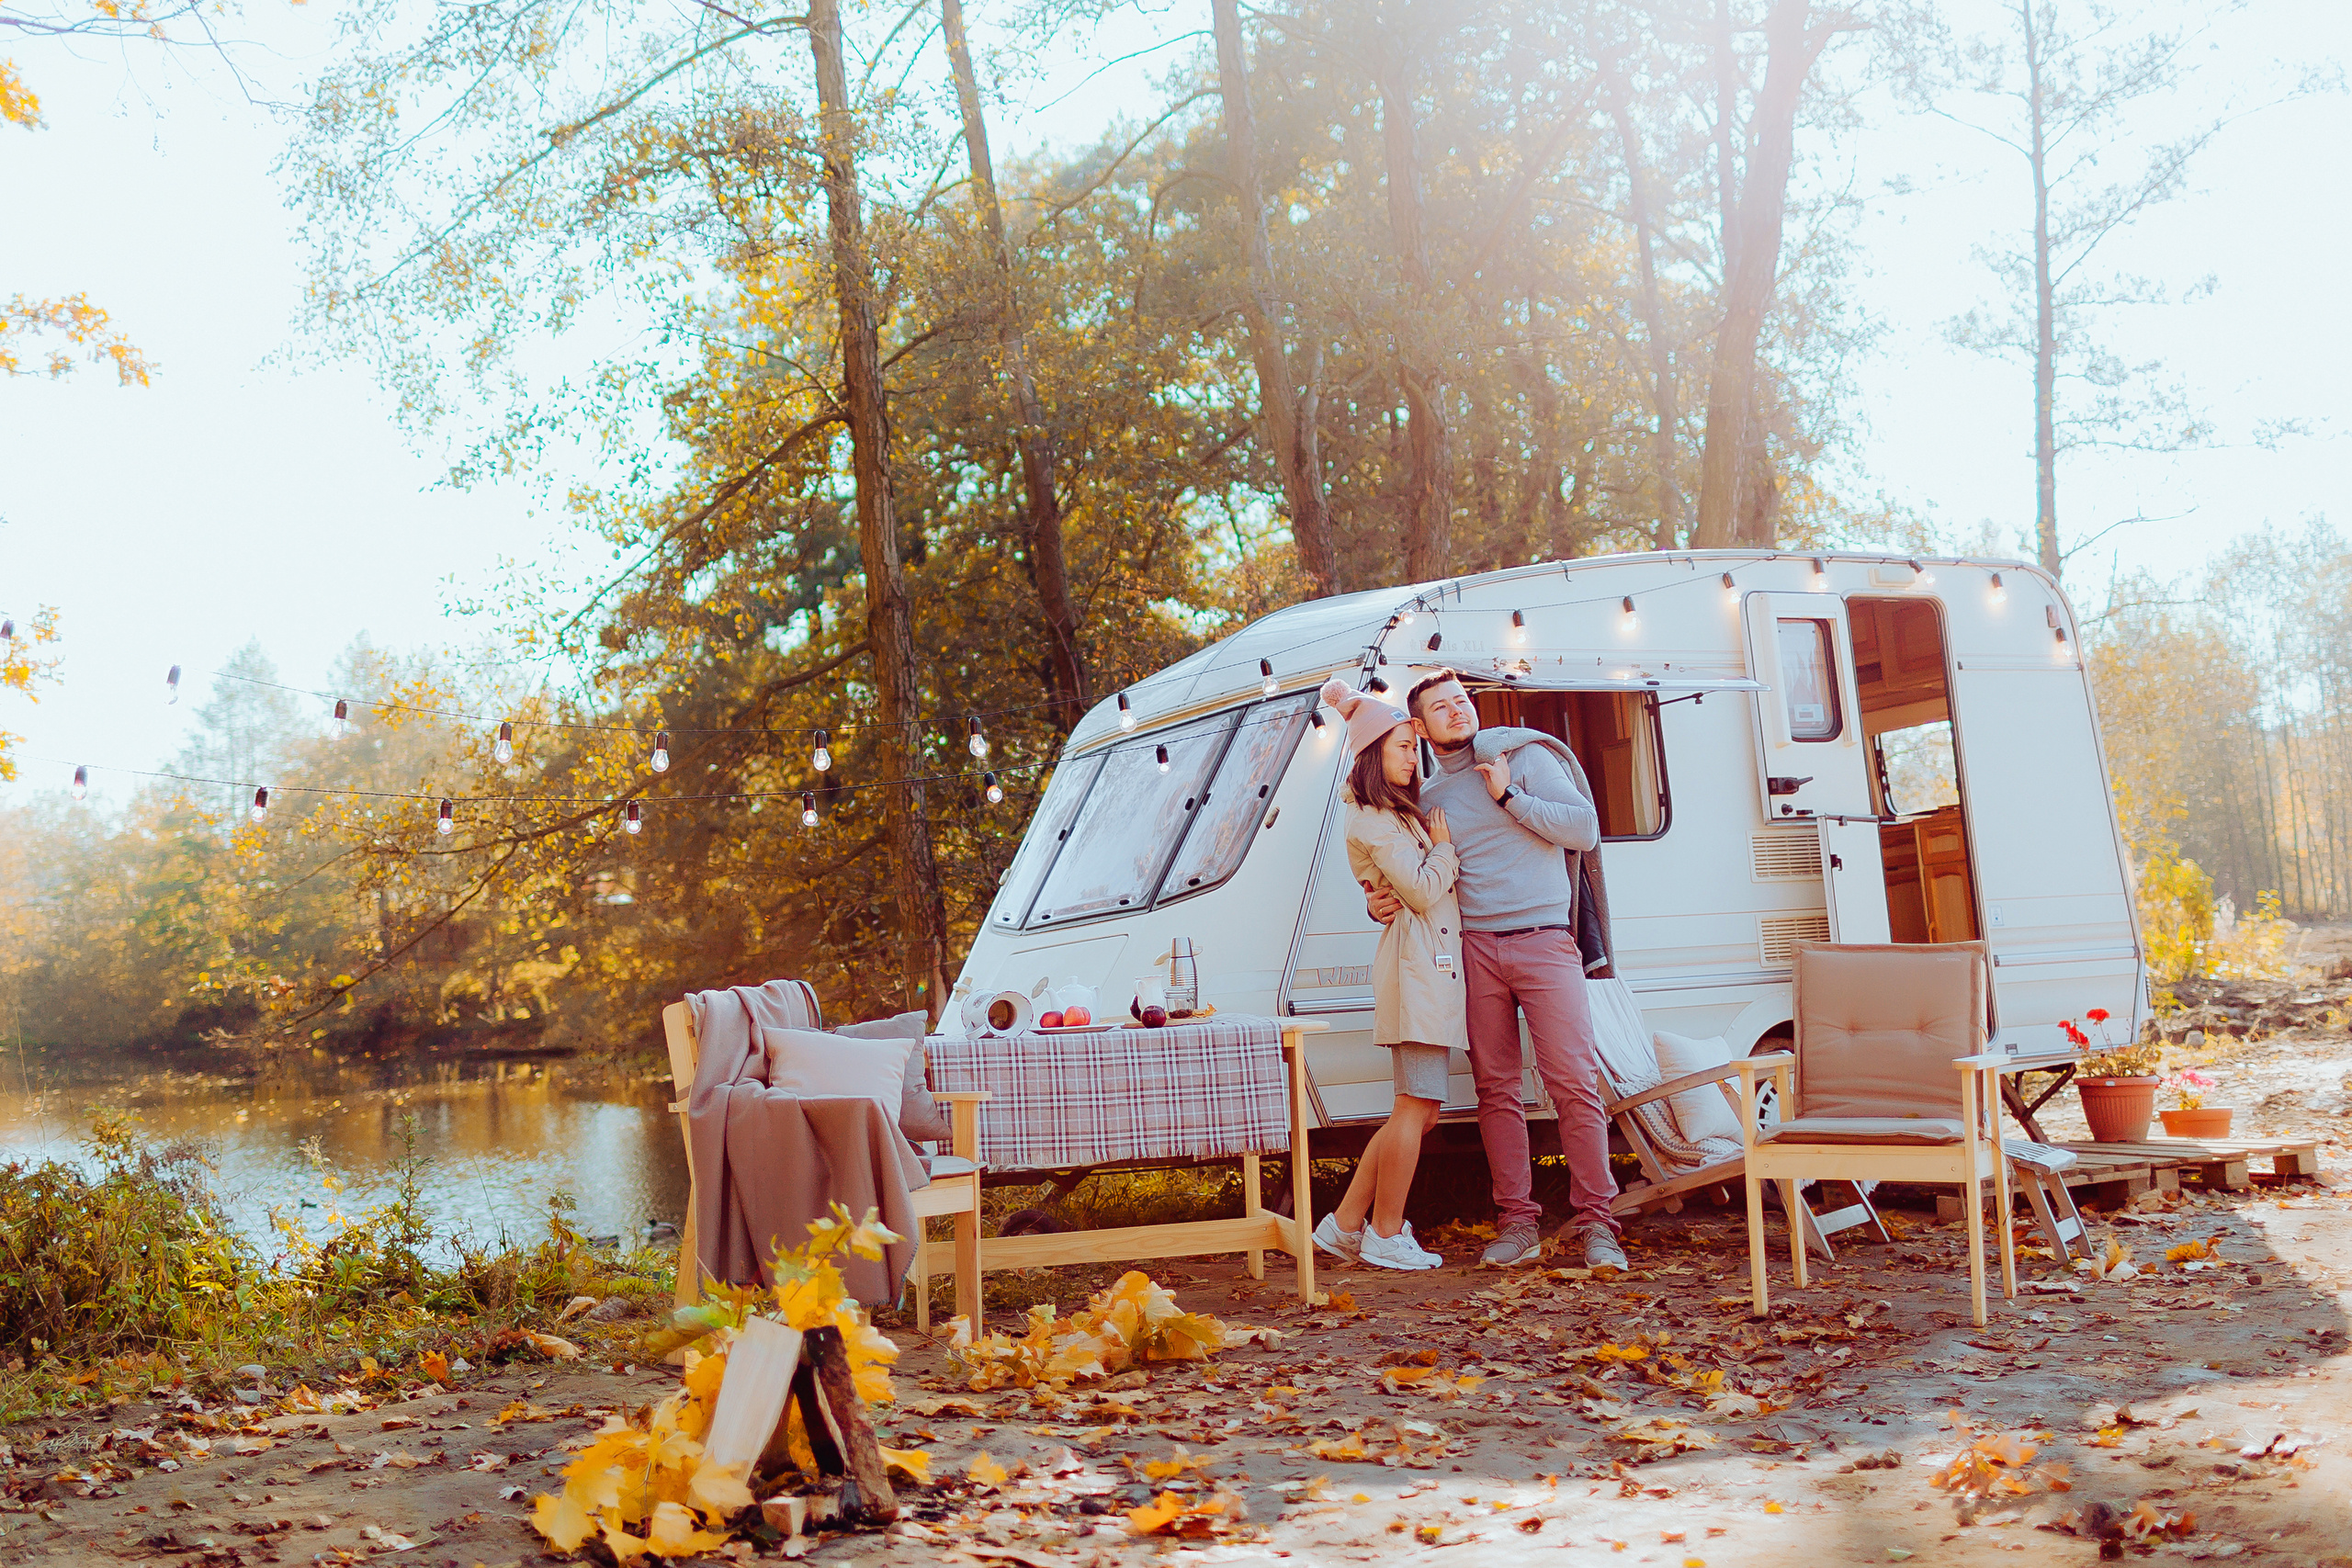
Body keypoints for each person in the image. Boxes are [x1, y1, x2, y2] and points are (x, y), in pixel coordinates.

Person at [1364, 668, 1628, 1273]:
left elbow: (1584, 828)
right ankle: (1517, 1223)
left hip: (1544, 941)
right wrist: (1378, 902)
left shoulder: (1525, 757)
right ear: (1421, 728)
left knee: (1573, 1084)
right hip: (1475, 950)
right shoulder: (1427, 798)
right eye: (1441, 706)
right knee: (1496, 1090)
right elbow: (1410, 873)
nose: (1457, 710)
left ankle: (1598, 1224)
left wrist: (1511, 796)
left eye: (1461, 699)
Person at [1310, 677, 1465, 1270]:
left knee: (1420, 1110)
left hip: (1424, 966)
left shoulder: (1392, 814)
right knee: (1414, 1105)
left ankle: (1347, 1224)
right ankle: (1386, 1231)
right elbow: (1422, 890)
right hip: (1416, 970)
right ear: (1375, 753)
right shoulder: (1374, 820)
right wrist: (1444, 847)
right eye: (1403, 746)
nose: (1412, 757)